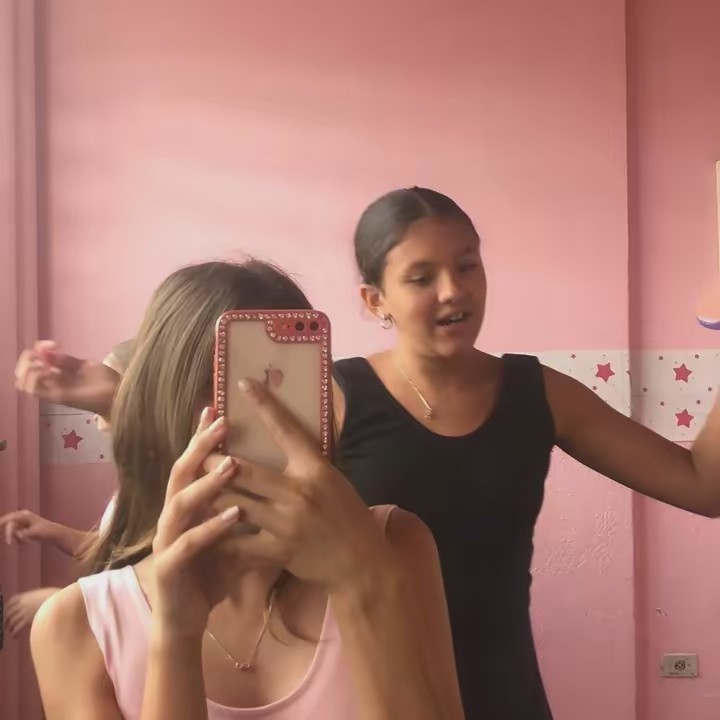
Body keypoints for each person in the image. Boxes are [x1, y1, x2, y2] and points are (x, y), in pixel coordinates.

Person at [18, 189, 720, 719]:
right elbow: (216, 435)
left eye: (468, 265)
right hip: (342, 660)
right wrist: (120, 398)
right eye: (421, 276)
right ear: (374, 298)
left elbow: (703, 485)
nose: (454, 290)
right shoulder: (326, 394)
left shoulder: (533, 397)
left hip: (487, 681)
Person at [28, 261, 464, 720]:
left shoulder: (395, 544)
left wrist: (361, 585)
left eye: (288, 387)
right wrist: (175, 635)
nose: (261, 417)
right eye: (219, 385)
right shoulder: (75, 626)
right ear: (161, 402)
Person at [1, 341, 133, 638]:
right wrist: (50, 530)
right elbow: (121, 553)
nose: (98, 418)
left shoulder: (165, 475)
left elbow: (153, 580)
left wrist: (67, 602)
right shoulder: (133, 481)